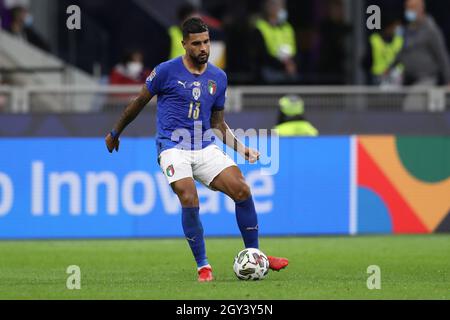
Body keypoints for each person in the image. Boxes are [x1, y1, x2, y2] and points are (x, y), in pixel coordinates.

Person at [105, 18, 289, 282]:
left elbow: (217, 123)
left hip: (204, 146)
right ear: (184, 44)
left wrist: (242, 148)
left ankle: (256, 255)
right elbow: (138, 101)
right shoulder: (166, 71)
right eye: (196, 44)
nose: (203, 48)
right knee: (189, 196)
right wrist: (115, 132)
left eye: (206, 42)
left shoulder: (218, 77)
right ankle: (204, 267)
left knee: (242, 189)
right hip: (172, 146)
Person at [395, 0, 450, 87]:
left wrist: (448, 80)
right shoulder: (406, 30)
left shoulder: (431, 29)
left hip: (426, 79)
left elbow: (442, 56)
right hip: (406, 79)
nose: (408, 11)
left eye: (412, 8)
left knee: (412, 100)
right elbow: (400, 53)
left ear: (421, 9)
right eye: (407, 8)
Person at [250, 0, 299, 84]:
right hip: (269, 70)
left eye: (282, 5)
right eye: (278, 5)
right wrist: (283, 65)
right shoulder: (260, 28)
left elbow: (294, 51)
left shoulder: (288, 28)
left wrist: (291, 64)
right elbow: (262, 56)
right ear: (268, 7)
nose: (281, 8)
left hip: (287, 69)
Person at [365, 17, 404, 86]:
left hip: (397, 77)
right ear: (389, 27)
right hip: (378, 77)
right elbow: (367, 60)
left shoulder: (400, 40)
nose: (398, 29)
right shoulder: (374, 39)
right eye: (396, 26)